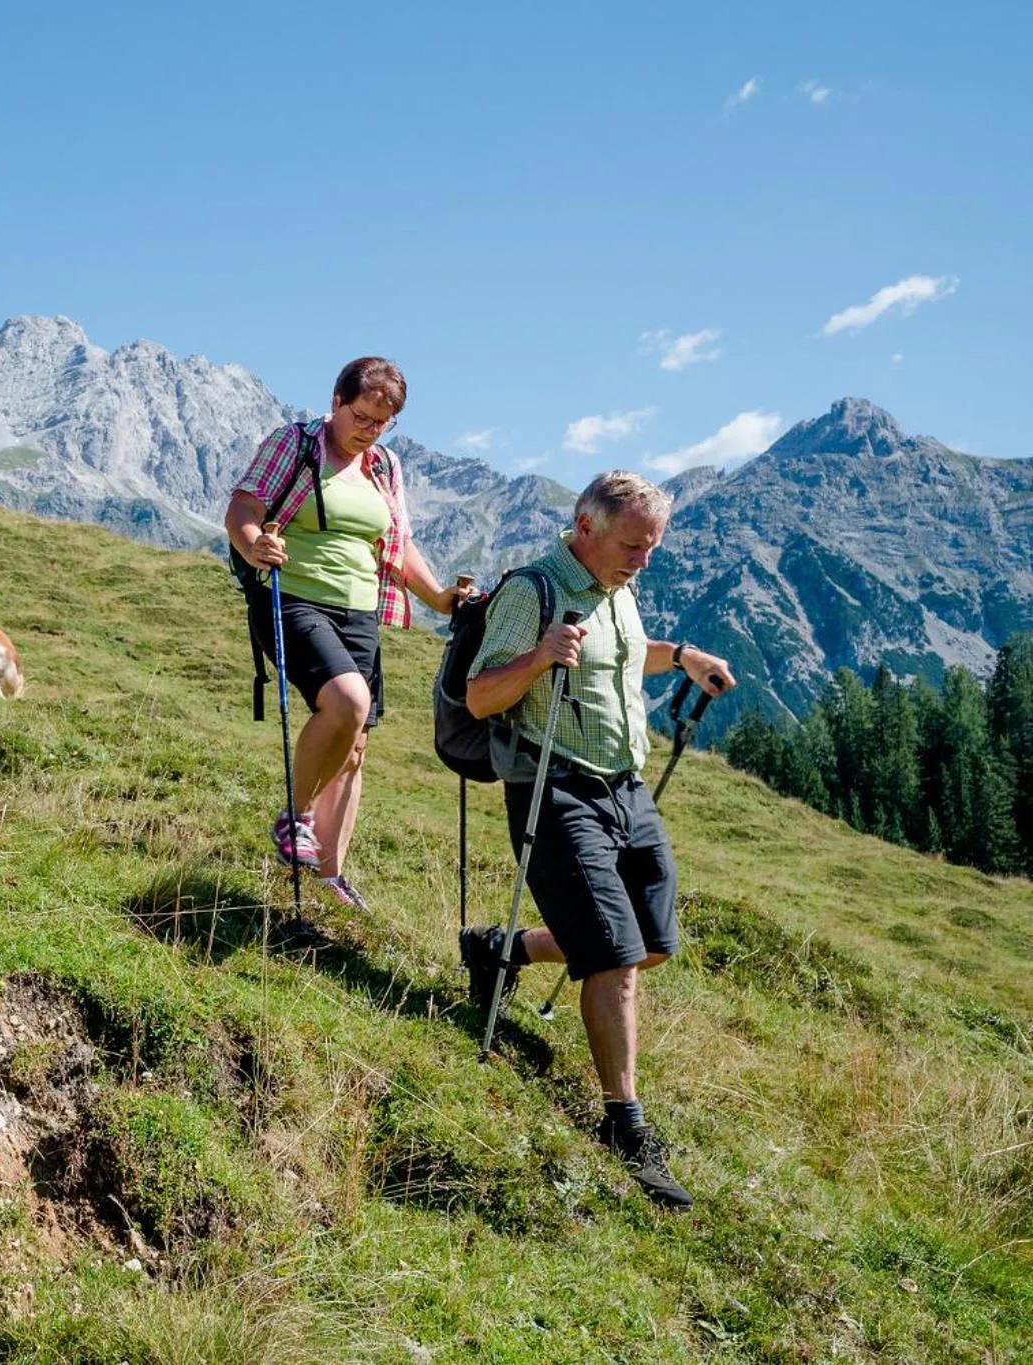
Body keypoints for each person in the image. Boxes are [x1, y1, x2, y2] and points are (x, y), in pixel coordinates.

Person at [457, 470, 735, 1209]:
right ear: (586, 525)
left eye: (651, 547)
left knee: (650, 939)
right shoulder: (534, 592)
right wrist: (540, 656)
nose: (642, 558)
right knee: (614, 960)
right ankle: (624, 1122)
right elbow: (480, 694)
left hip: (626, 786)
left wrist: (683, 657)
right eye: (632, 544)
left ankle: (501, 949)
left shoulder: (617, 586)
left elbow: (624, 649)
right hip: (556, 786)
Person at [225, 357, 474, 911]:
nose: (369, 429)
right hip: (292, 595)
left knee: (355, 746)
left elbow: (398, 542)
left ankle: (331, 878)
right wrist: (252, 543)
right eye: (361, 416)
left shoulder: (384, 466)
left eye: (383, 422)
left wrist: (436, 597)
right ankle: (296, 815)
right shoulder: (295, 444)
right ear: (336, 402)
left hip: (360, 610)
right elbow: (244, 505)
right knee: (346, 702)